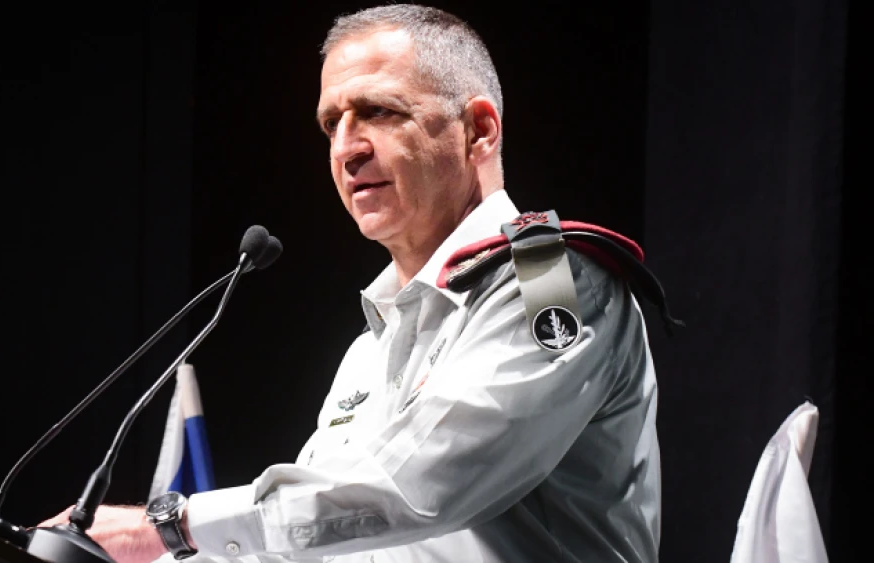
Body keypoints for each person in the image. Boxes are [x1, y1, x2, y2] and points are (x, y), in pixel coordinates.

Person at [41, 5, 661, 562]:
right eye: (330, 124)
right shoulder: (371, 345)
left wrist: (168, 526)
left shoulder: (555, 281)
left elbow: (418, 489)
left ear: (479, 130)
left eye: (378, 112)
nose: (346, 149)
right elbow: (305, 546)